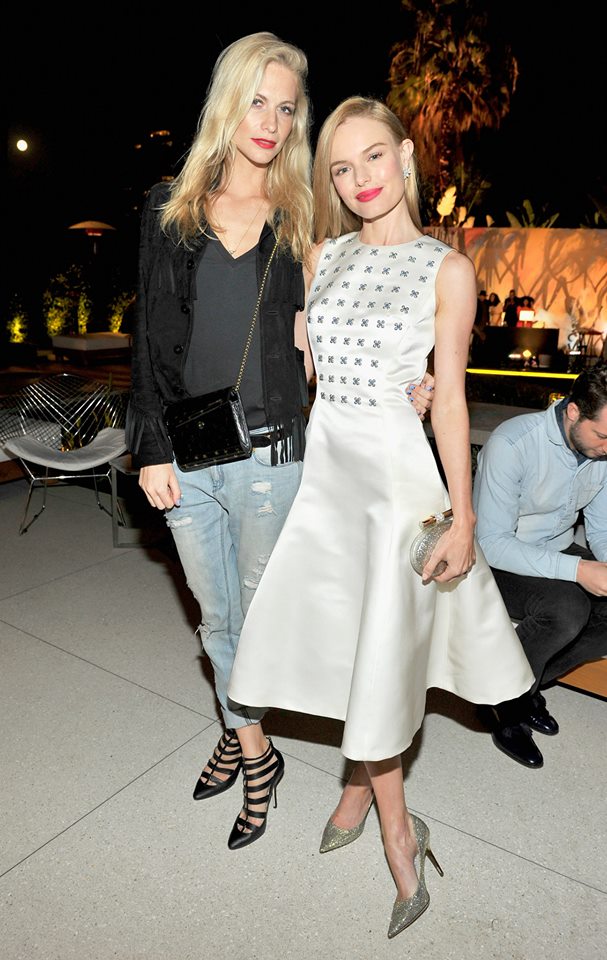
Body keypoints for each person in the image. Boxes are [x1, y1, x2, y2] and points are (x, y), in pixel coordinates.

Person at [228, 97, 534, 939]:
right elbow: (307, 374)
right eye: (340, 167)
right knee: (343, 646)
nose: (359, 178)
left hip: (396, 484)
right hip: (328, 480)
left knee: (379, 652)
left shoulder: (447, 269)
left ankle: (396, 829)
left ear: (403, 156)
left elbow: (451, 401)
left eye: (372, 157)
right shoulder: (320, 255)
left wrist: (464, 520)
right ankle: (361, 790)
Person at [126, 33, 433, 851]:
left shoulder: (305, 222)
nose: (269, 121)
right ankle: (257, 750)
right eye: (256, 102)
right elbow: (148, 337)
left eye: (286, 108)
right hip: (184, 454)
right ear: (227, 105)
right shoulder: (166, 209)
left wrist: (409, 381)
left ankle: (240, 738)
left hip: (270, 456)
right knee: (213, 616)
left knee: (256, 622)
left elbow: (344, 330)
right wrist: (148, 446)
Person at [472, 365, 607, 768]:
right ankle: (506, 706)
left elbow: (600, 529)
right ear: (573, 412)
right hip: (496, 562)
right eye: (602, 435)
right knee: (567, 610)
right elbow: (493, 543)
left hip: (556, 550)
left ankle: (520, 686)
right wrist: (579, 571)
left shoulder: (600, 452)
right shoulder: (513, 443)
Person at [470, 289, 489, 362]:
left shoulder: (484, 304)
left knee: (477, 341)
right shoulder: (477, 303)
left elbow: (485, 314)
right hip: (476, 324)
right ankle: (472, 356)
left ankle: (476, 357)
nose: (482, 297)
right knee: (473, 340)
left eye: (483, 296)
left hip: (481, 324)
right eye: (482, 296)